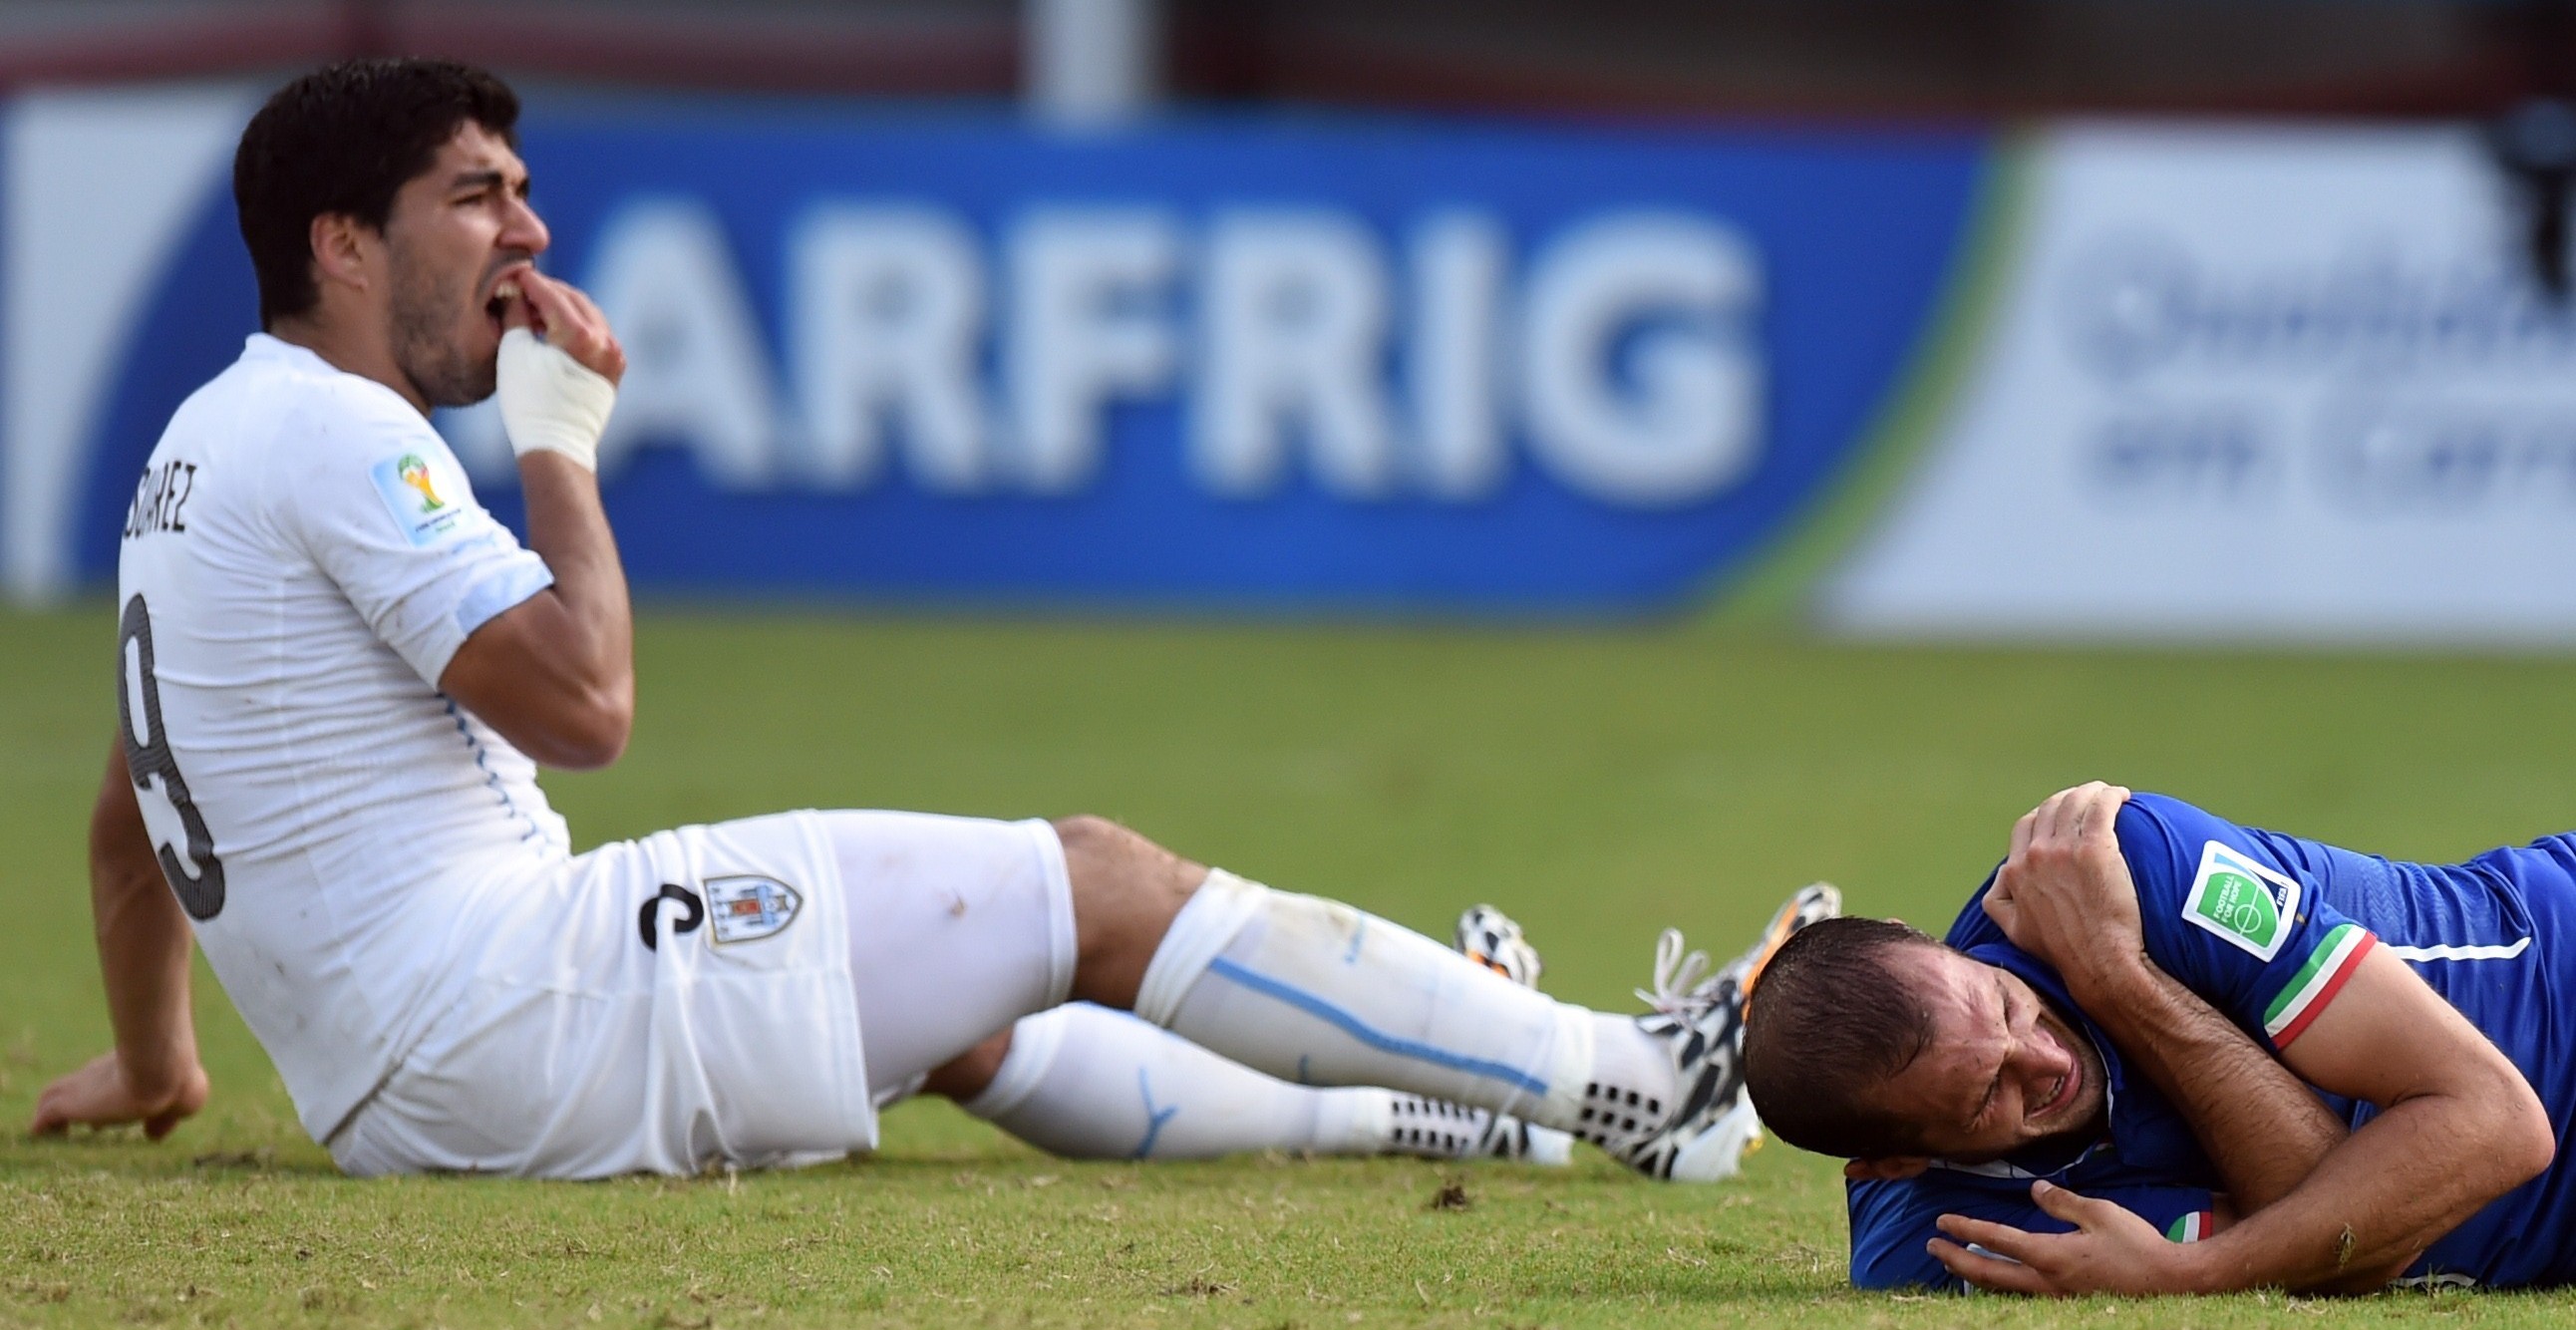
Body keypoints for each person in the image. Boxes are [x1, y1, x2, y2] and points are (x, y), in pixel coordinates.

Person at [32, 57, 1800, 1184]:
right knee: (1097, 882)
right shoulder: (344, 439)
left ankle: (1453, 1108)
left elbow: (135, 812)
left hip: (415, 1078)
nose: (530, 225)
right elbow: (585, 705)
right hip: (515, 1021)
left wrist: (162, 1059)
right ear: (341, 243)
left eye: (521, 184)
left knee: (957, 1010)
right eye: (476, 192)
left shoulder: (200, 451)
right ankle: (1628, 1081)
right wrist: (561, 450)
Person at [1743, 782, 2571, 1295]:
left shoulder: (2124, 865)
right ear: (1896, 1162)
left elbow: (2500, 1123)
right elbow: (2338, 1227)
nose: (2044, 1060)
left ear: (1921, 938)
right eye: (1989, 1093)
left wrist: (2122, 982)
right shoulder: (1942, 1242)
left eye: (2002, 1005)